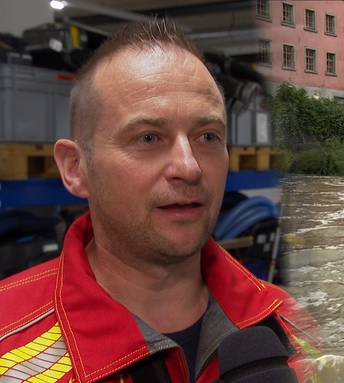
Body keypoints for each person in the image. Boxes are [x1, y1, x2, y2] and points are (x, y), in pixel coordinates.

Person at [0, 19, 316, 383]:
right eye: (148, 138)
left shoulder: (292, 327)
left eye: (208, 136)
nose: (189, 166)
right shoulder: (10, 346)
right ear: (76, 169)